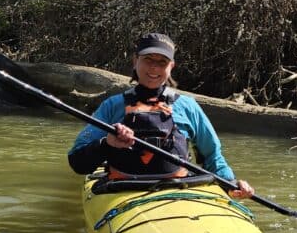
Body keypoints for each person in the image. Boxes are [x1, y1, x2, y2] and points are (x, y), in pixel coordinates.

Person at [68, 32, 254, 200]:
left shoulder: (187, 106)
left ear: (171, 66)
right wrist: (107, 143)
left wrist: (231, 184)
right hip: (122, 189)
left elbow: (212, 156)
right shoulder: (112, 106)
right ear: (135, 61)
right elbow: (78, 162)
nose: (154, 68)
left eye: (162, 62)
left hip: (178, 190)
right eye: (148, 59)